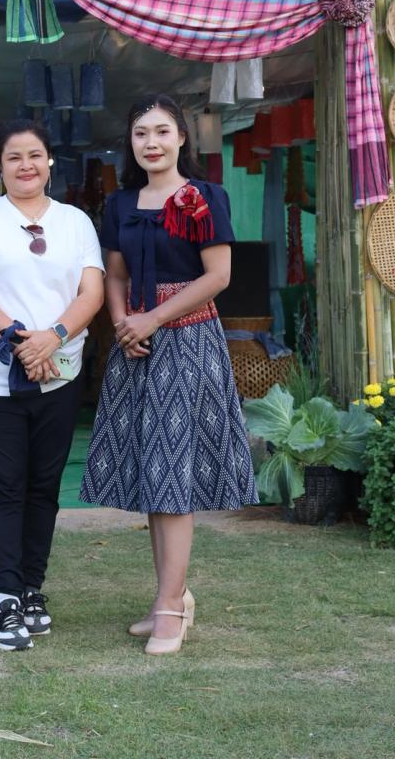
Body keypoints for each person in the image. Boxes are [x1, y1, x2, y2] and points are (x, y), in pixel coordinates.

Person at [80, 94, 258, 656]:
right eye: (141, 133)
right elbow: (114, 275)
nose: (151, 142)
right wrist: (123, 325)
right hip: (135, 345)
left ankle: (170, 607)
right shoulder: (119, 203)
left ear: (181, 137)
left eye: (161, 131)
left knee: (173, 474)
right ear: (130, 143)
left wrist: (152, 318)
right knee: (152, 475)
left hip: (188, 341)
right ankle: (171, 596)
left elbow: (218, 276)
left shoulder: (205, 197)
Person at [0, 119, 104, 651]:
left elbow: (91, 293)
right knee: (3, 491)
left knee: (43, 489)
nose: (26, 165)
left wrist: (52, 339)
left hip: (59, 376)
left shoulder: (75, 222)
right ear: (0, 166)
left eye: (35, 155)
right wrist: (22, 342)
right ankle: (5, 598)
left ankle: (32, 588)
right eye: (14, 157)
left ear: (50, 161)